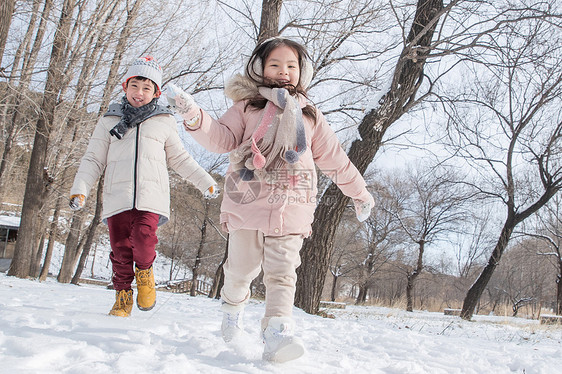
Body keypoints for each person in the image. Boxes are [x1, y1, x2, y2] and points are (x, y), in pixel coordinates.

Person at [166, 37, 374, 362]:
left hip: (292, 204)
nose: (283, 71)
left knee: (282, 272)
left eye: (291, 66)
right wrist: (195, 116)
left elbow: (335, 160)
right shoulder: (247, 107)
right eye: (275, 64)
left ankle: (277, 336)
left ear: (301, 73)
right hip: (247, 199)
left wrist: (359, 193)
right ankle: (232, 311)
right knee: (240, 270)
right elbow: (221, 138)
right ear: (260, 69)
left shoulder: (310, 115)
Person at [69, 56, 218, 318]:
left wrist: (205, 182)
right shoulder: (109, 120)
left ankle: (146, 275)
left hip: (152, 197)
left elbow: (180, 159)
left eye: (147, 88)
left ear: (156, 93)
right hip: (117, 196)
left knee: (143, 240)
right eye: (134, 85)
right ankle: (123, 296)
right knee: (120, 249)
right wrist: (80, 189)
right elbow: (93, 159)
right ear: (125, 87)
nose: (140, 93)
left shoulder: (164, 121)